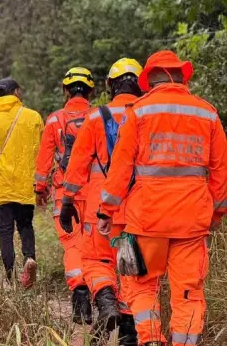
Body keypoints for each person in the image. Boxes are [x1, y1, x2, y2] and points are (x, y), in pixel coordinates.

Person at [99, 50, 227, 346]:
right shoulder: (206, 113)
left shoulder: (140, 111)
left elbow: (121, 167)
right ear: (182, 76)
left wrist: (107, 211)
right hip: (192, 222)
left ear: (150, 80)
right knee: (189, 292)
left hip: (146, 219)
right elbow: (220, 171)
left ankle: (151, 339)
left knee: (142, 286)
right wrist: (216, 215)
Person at [60, 59, 144, 345]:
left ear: (110, 86)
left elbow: (77, 164)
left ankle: (106, 297)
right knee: (135, 273)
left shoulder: (97, 117)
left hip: (100, 206)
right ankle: (130, 334)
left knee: (95, 260)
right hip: (139, 209)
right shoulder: (148, 115)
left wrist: (67, 201)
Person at [34, 67, 95, 324]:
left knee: (71, 243)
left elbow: (44, 159)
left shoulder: (54, 120)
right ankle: (100, 291)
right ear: (90, 90)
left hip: (64, 193)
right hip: (94, 193)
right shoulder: (98, 117)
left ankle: (79, 293)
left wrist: (40, 189)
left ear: (65, 90)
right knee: (94, 245)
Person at [0, 77, 43, 287]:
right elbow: (41, 151)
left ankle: (11, 275)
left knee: (5, 230)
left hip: (2, 185)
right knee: (25, 225)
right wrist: (43, 183)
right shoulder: (33, 117)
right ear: (17, 92)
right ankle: (29, 257)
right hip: (25, 183)